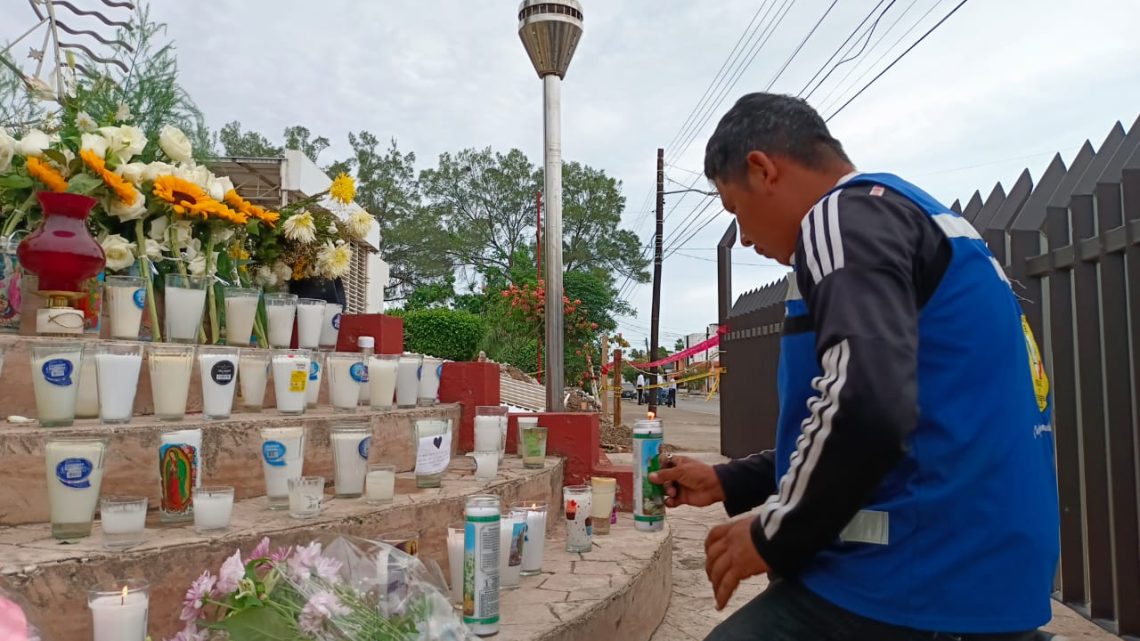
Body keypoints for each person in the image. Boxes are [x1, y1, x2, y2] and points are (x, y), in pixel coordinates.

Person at [650, 93, 1059, 641]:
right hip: (982, 572)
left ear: (762, 169)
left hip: (912, 577)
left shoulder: (841, 217)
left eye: (735, 212)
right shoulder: (922, 221)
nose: (744, 238)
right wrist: (730, 480)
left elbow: (866, 407)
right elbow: (894, 417)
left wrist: (774, 535)